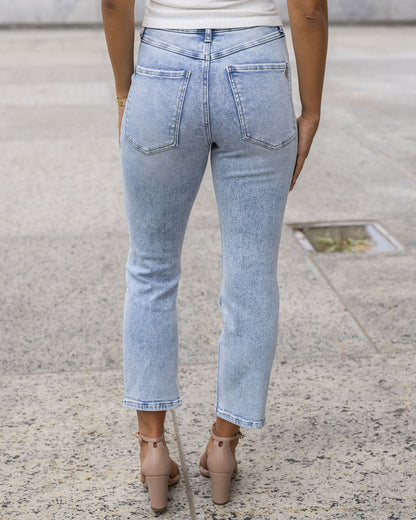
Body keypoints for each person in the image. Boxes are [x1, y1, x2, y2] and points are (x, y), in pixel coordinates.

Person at [102, 0, 328, 512]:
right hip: (258, 68)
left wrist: (124, 91)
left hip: (163, 64)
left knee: (151, 268)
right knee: (251, 273)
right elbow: (309, 9)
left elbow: (115, 2)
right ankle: (224, 445)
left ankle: (153, 451)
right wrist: (311, 110)